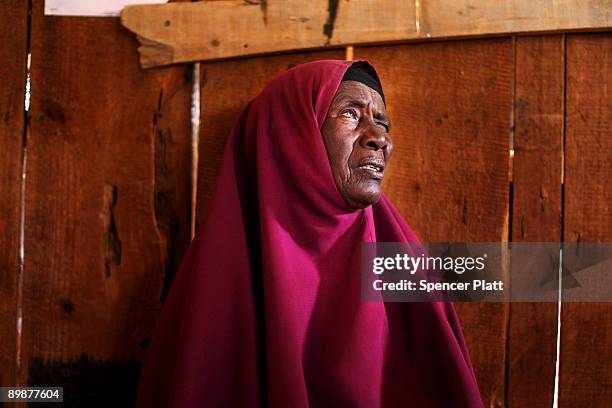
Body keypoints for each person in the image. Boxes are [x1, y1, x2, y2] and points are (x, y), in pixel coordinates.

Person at [136, 60, 483, 407]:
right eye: (350, 114)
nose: (380, 139)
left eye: (383, 123)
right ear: (292, 134)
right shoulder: (218, 272)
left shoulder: (409, 266)